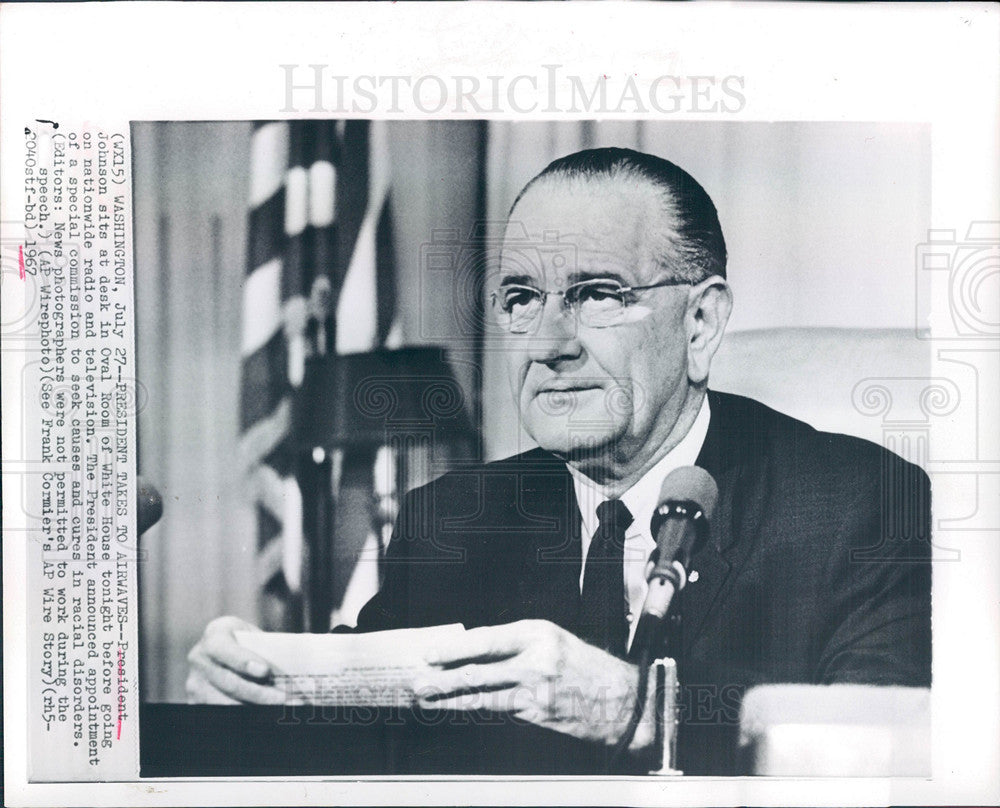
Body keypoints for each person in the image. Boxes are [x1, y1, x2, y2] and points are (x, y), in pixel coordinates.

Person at [186, 148, 931, 774]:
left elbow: (877, 747)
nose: (547, 345)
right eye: (521, 298)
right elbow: (374, 732)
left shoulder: (856, 502)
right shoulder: (449, 517)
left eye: (598, 294)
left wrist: (642, 711)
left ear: (701, 322)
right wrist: (261, 689)